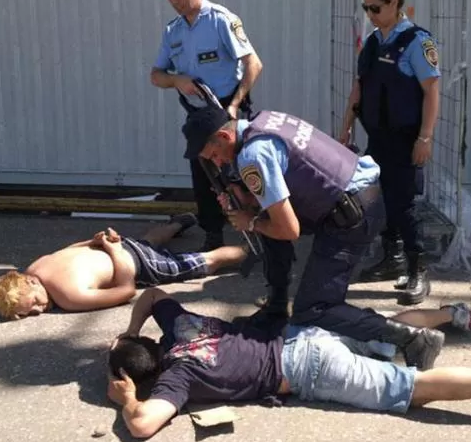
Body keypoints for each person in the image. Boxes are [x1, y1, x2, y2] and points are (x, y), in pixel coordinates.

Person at [104, 288, 471, 440]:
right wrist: (126, 331)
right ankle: (449, 316)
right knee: (383, 326)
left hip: (309, 372)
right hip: (302, 337)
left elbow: (144, 426)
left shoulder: (176, 379)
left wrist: (127, 400)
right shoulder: (180, 325)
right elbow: (151, 294)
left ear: (140, 375)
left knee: (414, 388)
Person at [181, 105, 446, 371]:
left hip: (351, 216)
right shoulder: (264, 121)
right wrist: (246, 201)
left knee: (314, 308)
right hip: (358, 197)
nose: (218, 162)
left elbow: (288, 230)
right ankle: (276, 308)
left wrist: (249, 222)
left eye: (214, 154)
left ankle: (413, 339)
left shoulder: (253, 156)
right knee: (270, 228)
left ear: (226, 136)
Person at [339, 0, 442, 305]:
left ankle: (418, 268)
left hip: (405, 139)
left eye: (375, 8)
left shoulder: (416, 42)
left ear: (394, 2)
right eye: (366, 8)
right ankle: (392, 258)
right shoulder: (373, 41)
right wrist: (345, 127)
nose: (370, 15)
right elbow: (360, 86)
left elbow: (432, 92)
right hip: (378, 136)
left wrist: (424, 139)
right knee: (381, 199)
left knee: (404, 204)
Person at [150, 0, 264, 253]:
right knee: (204, 177)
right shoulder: (172, 31)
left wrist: (236, 106)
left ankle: (265, 232)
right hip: (199, 114)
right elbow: (156, 76)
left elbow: (254, 64)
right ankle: (213, 236)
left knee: (244, 172)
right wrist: (177, 80)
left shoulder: (221, 20)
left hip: (227, 108)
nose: (174, 1)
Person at [0, 214, 247, 320]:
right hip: (124, 248)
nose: (38, 310)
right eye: (29, 313)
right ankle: (180, 223)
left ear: (30, 282)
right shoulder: (37, 266)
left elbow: (127, 290)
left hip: (137, 264)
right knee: (149, 241)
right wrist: (99, 241)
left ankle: (250, 250)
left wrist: (114, 251)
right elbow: (73, 248)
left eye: (34, 302)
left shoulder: (68, 296)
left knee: (205, 262)